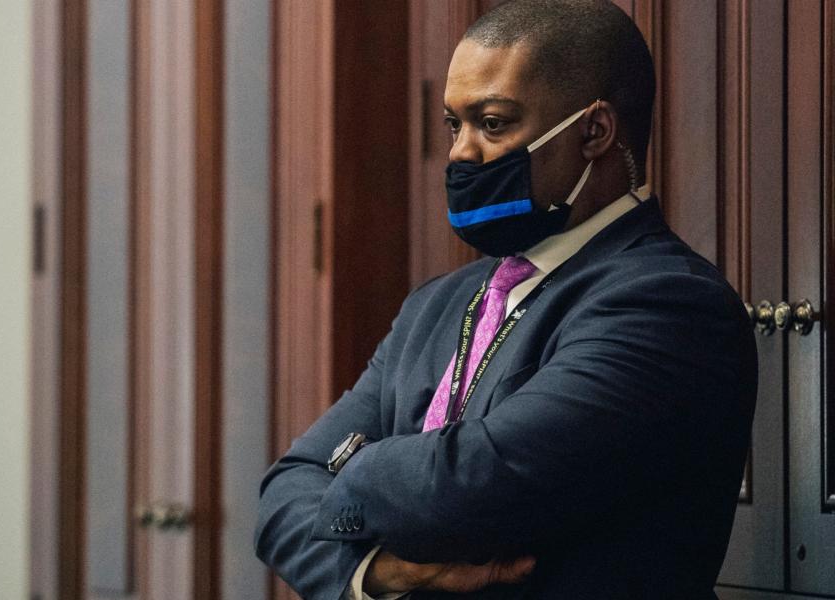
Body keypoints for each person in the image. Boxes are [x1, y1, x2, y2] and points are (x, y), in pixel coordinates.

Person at [255, 1, 757, 598]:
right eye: (453, 125)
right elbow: (284, 492)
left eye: (492, 123)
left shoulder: (667, 303)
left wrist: (355, 466)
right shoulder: (432, 307)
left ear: (594, 131)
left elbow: (469, 488)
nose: (461, 153)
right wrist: (383, 571)